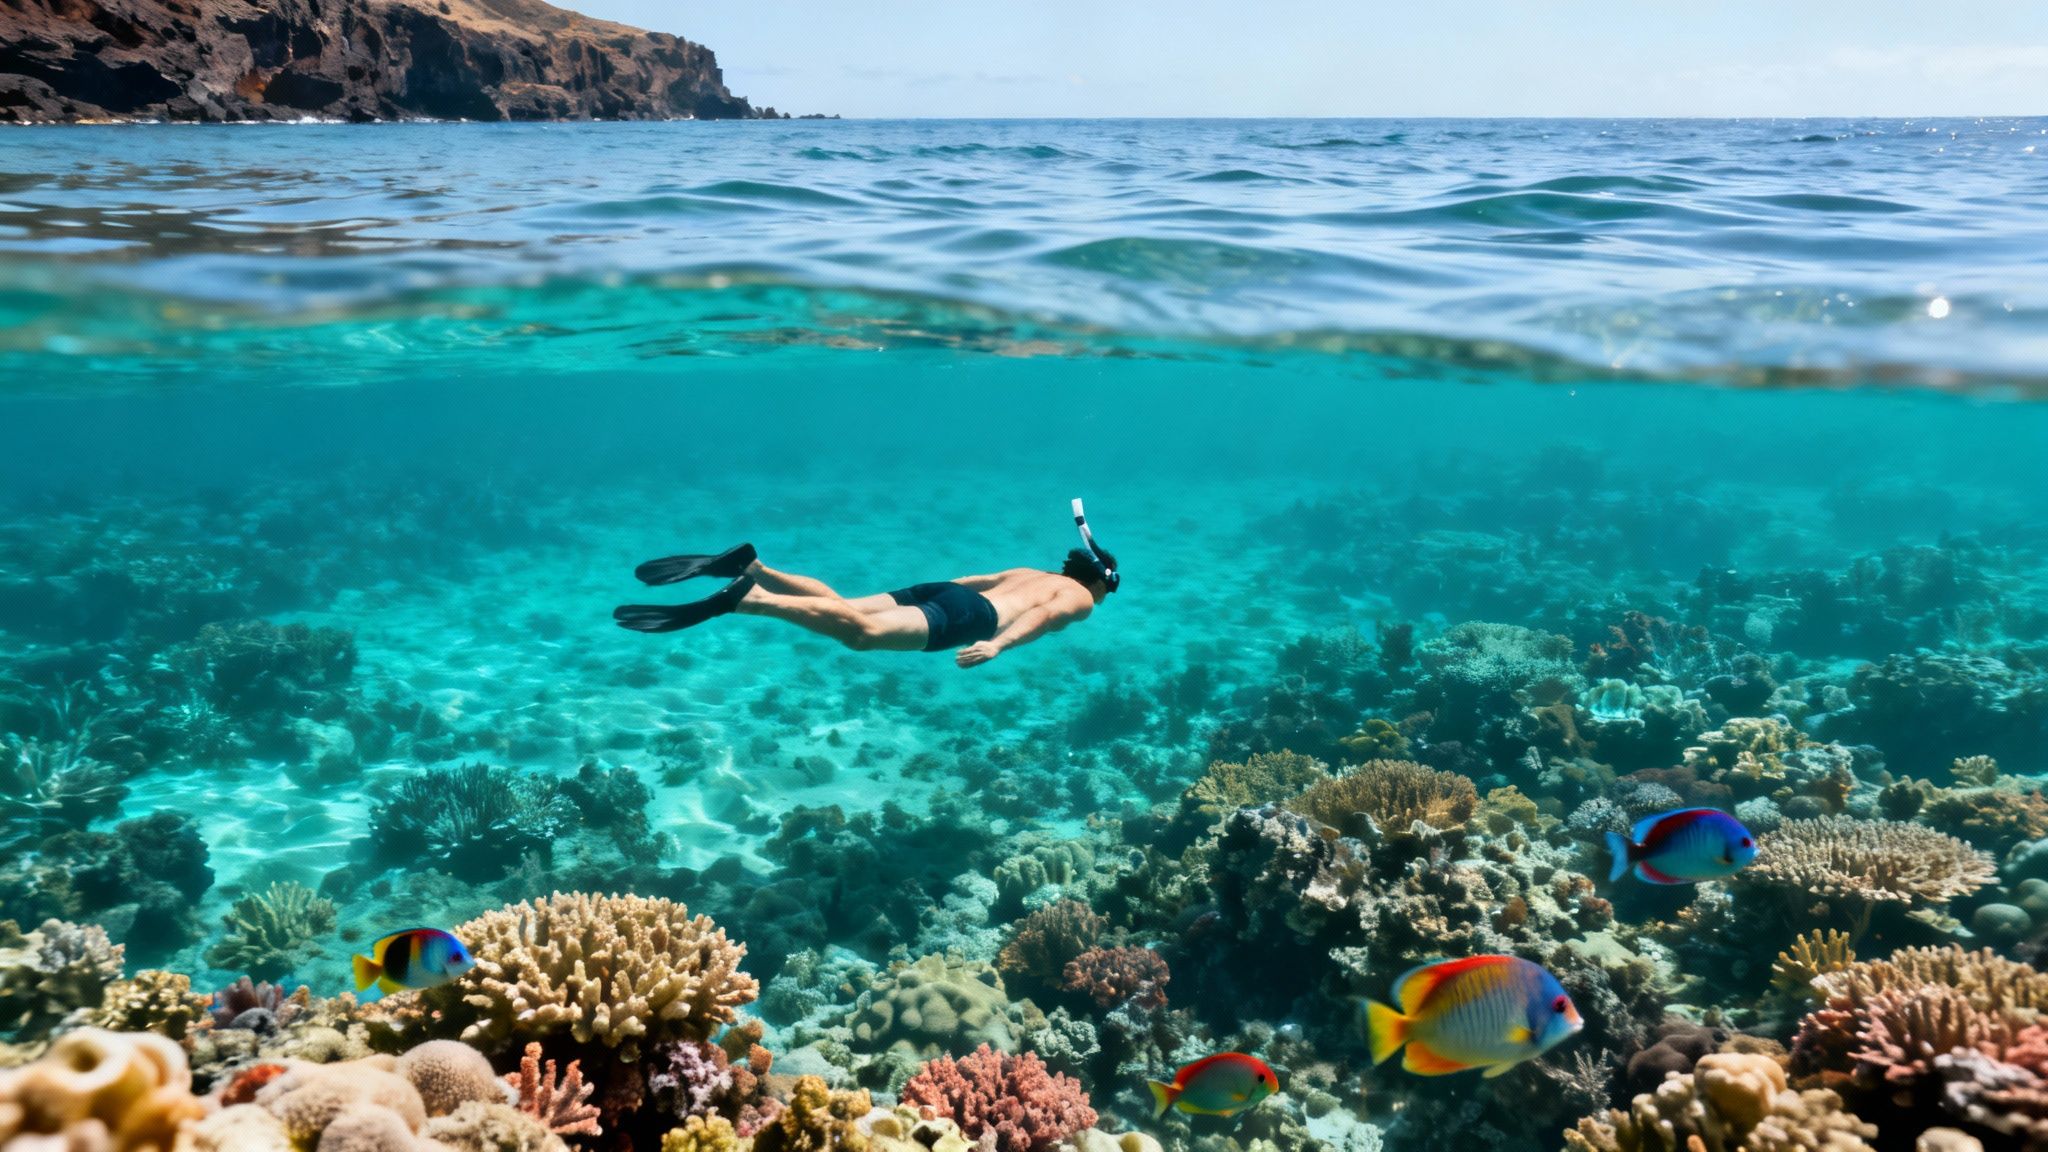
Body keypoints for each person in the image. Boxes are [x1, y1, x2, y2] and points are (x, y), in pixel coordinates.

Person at [613, 501, 1120, 669]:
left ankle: (756, 569)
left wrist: (929, 596)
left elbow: (968, 579)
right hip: (973, 618)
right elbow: (1043, 618)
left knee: (844, 607)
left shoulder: (1035, 572)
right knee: (861, 634)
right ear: (1100, 582)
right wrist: (997, 645)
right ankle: (750, 599)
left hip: (945, 593)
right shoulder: (1079, 597)